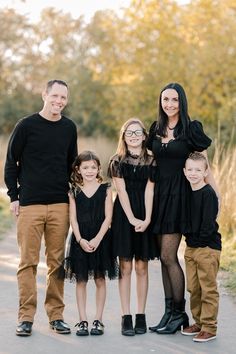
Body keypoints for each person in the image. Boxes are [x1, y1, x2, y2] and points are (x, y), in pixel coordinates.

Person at [4, 79, 78, 336]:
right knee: (28, 262)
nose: (59, 101)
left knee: (57, 263)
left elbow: (72, 165)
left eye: (63, 98)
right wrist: (14, 197)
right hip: (30, 205)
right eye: (55, 96)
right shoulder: (26, 126)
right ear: (44, 95)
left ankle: (56, 316)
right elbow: (11, 162)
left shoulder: (69, 128)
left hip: (59, 204)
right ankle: (26, 317)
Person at [147, 82, 219, 334]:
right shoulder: (155, 128)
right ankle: (169, 312)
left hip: (180, 199)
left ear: (182, 102)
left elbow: (204, 165)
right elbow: (152, 159)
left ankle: (180, 313)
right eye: (165, 99)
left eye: (174, 100)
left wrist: (215, 198)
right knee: (162, 258)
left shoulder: (191, 129)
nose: (169, 104)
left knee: (169, 256)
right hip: (159, 199)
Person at [108, 118, 157, 336]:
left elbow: (149, 191)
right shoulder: (117, 161)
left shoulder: (152, 160)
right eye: (129, 132)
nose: (134, 136)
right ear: (124, 136)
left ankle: (141, 315)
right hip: (124, 215)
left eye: (138, 132)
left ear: (145, 136)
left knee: (142, 267)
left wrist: (146, 218)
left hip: (145, 213)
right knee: (125, 266)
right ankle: (126, 316)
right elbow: (122, 192)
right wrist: (132, 219)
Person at [63, 150, 118, 336]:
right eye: (85, 167)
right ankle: (82, 320)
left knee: (100, 279)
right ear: (78, 169)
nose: (89, 170)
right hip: (81, 239)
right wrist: (80, 239)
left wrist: (97, 239)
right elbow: (73, 219)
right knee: (81, 280)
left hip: (100, 238)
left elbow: (108, 217)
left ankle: (98, 320)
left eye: (93, 167)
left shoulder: (106, 188)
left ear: (98, 168)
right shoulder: (74, 191)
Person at [182, 152, 221, 342]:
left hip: (207, 248)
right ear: (184, 171)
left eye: (198, 169)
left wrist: (196, 242)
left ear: (205, 172)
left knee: (208, 288)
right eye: (190, 169)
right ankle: (198, 322)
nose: (193, 173)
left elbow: (207, 226)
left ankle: (209, 327)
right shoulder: (188, 192)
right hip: (191, 248)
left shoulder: (208, 194)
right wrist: (189, 240)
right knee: (193, 288)